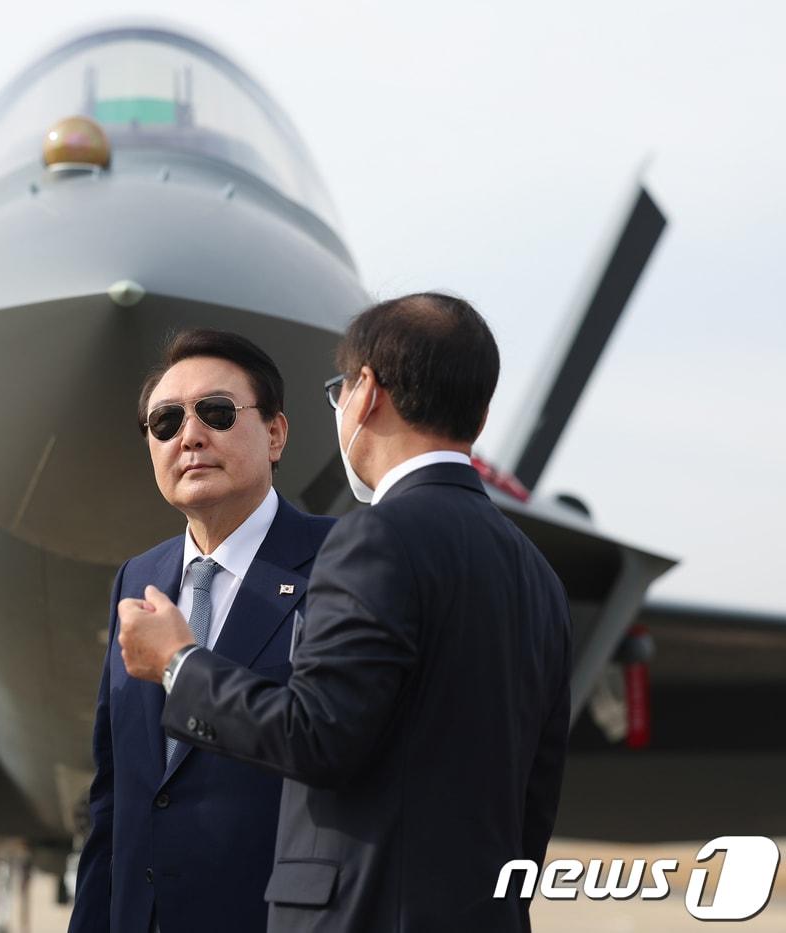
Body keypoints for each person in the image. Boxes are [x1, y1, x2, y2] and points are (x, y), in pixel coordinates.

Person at [117, 294, 571, 932]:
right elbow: (535, 792)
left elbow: (317, 736)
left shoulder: (370, 540)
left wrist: (178, 662)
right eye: (165, 422)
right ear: (481, 410)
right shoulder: (537, 573)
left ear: (366, 393)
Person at [69, 330, 336, 933]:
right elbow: (117, 798)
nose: (189, 436)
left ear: (275, 434)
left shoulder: (342, 562)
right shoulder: (139, 580)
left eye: (215, 413)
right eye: (165, 423)